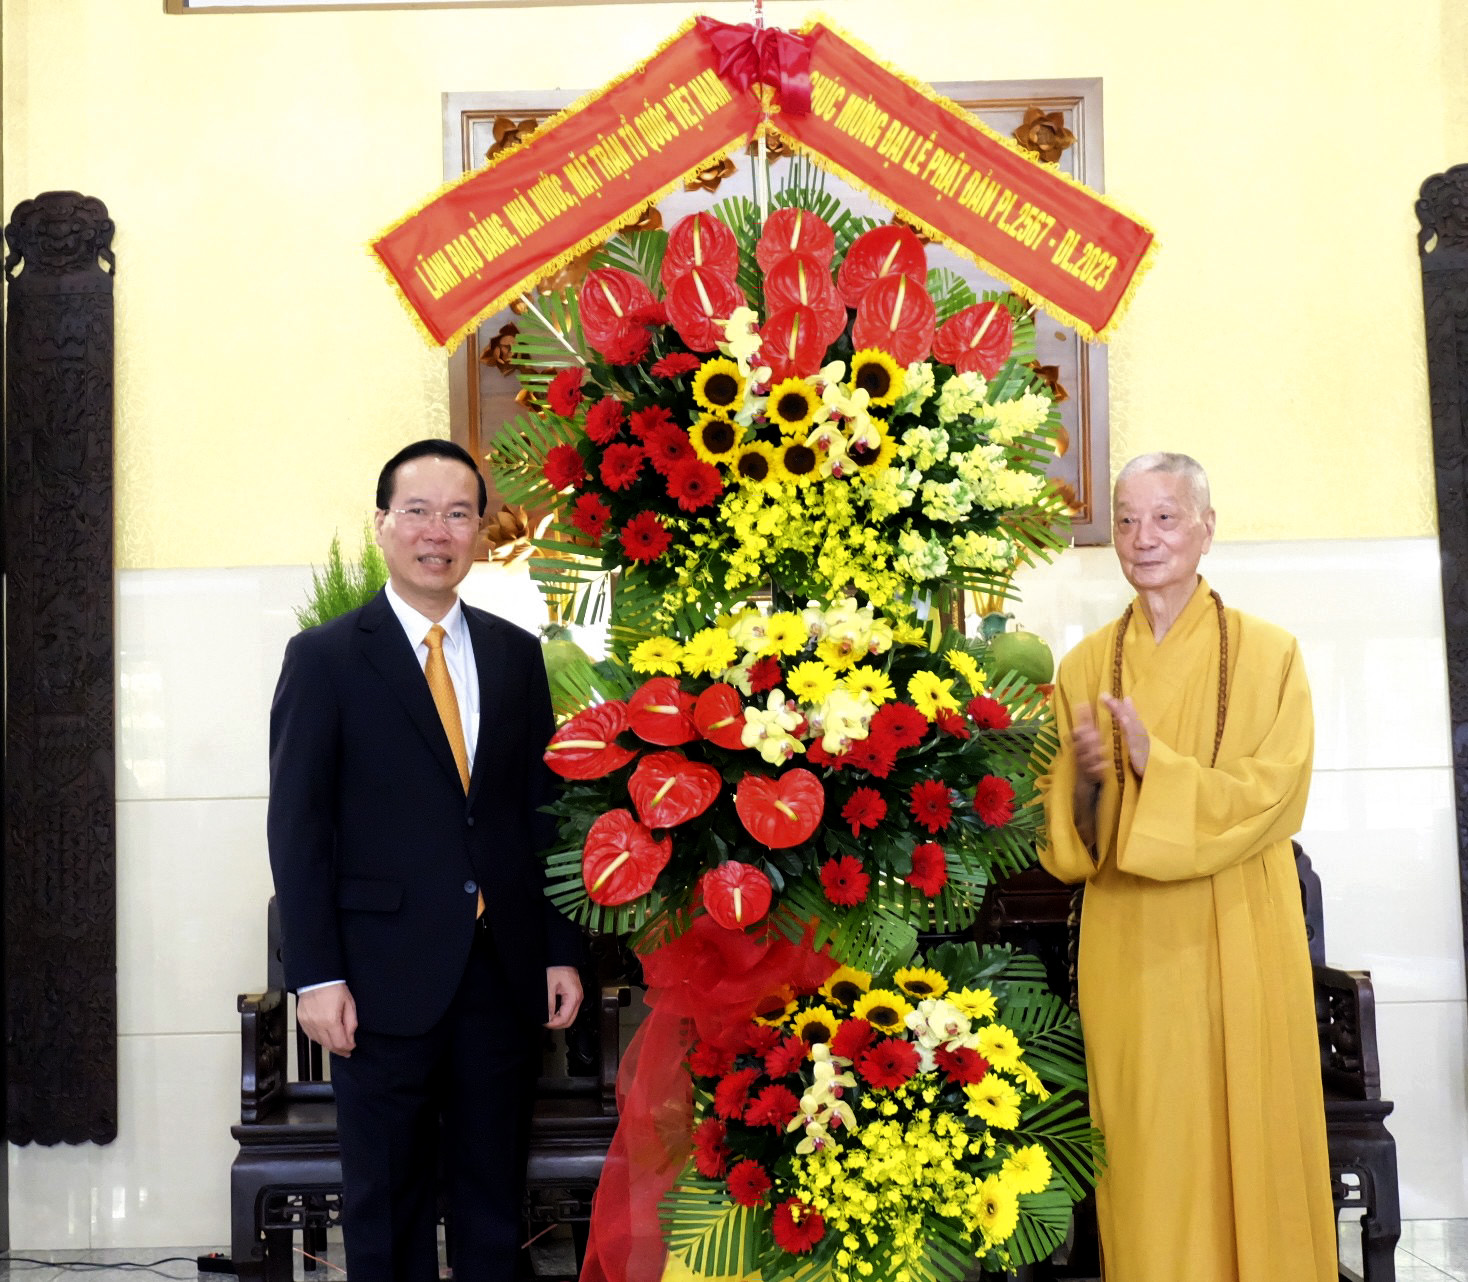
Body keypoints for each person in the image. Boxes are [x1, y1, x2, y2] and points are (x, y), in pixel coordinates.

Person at [267, 438, 584, 1282]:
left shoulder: (517, 656)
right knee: (388, 1205)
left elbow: (544, 811)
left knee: (491, 1199)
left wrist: (560, 946)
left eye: (458, 513)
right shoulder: (327, 658)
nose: (437, 531)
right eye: (417, 511)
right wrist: (315, 975)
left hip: (500, 970)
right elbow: (298, 829)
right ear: (381, 525)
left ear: (481, 531)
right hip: (376, 981)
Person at [1040, 452, 1336, 1281]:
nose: (1144, 538)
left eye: (1165, 517)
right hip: (1131, 947)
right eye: (1128, 520)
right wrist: (1094, 782)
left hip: (1242, 931)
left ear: (1207, 528)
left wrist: (1153, 762)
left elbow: (1276, 796)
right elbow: (1065, 834)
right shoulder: (1084, 668)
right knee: (1148, 1148)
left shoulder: (1271, 654)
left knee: (1253, 1132)